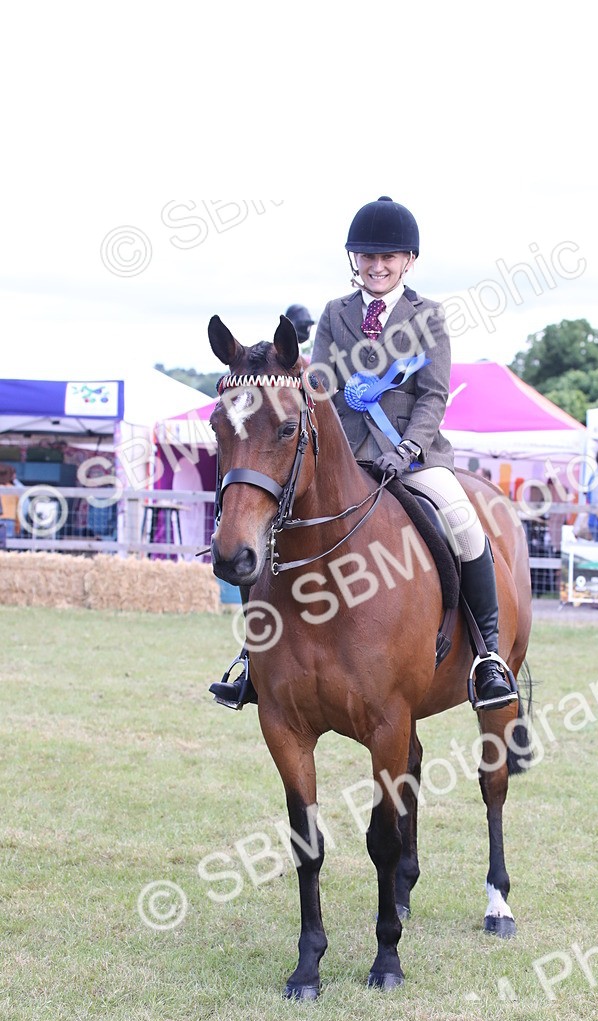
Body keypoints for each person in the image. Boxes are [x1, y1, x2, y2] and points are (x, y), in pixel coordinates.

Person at [211, 196, 517, 711]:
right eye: (367, 257)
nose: (377, 267)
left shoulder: (430, 317)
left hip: (414, 457)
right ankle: (253, 656)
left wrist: (408, 446)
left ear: (408, 262)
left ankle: (488, 655)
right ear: (355, 260)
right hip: (344, 458)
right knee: (272, 533)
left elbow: (433, 395)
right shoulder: (336, 314)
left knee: (464, 522)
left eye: (388, 258)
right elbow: (320, 389)